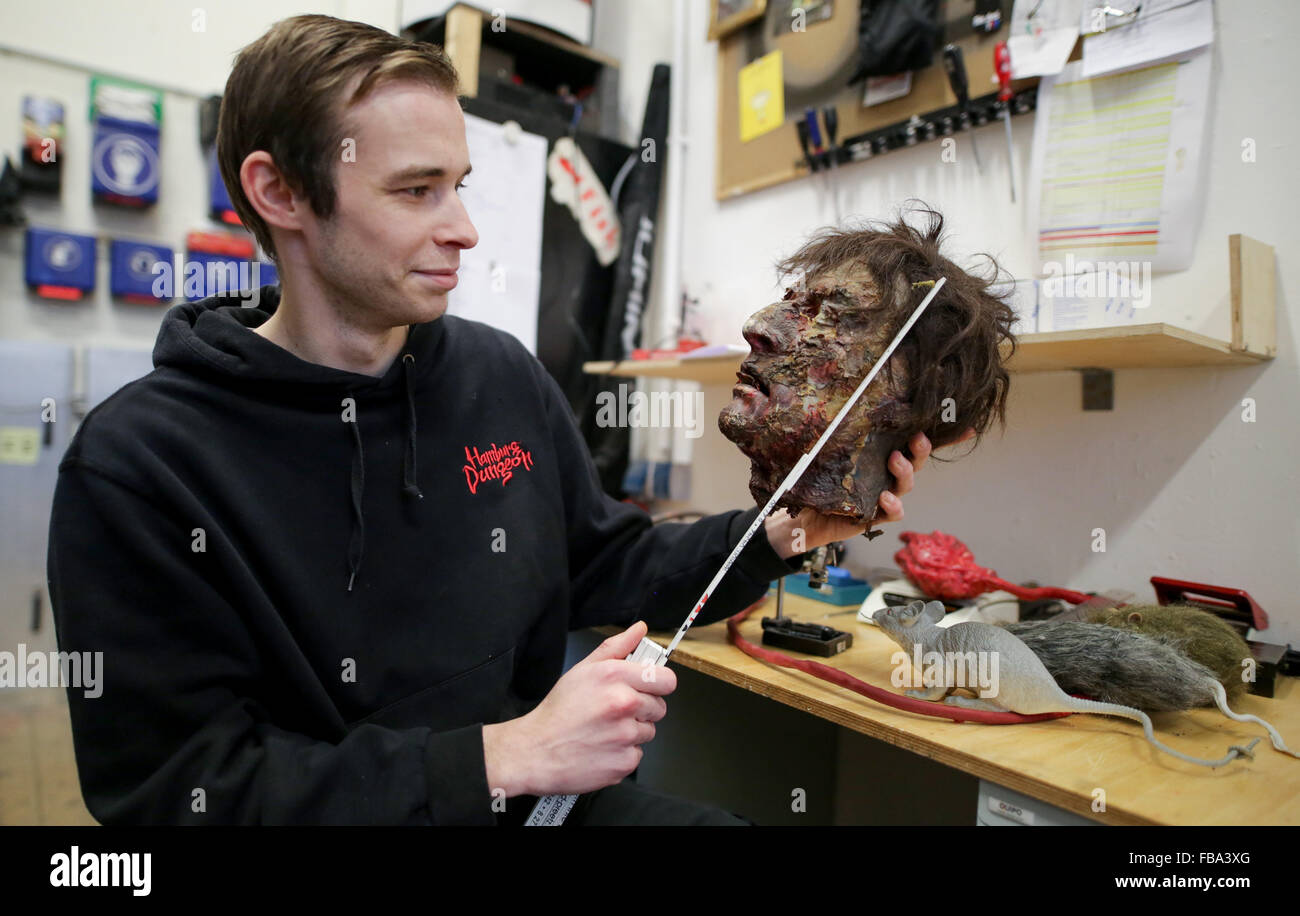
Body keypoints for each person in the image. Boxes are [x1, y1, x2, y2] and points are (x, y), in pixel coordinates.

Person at [46, 15, 935, 826]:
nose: (465, 228)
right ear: (279, 193)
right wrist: (502, 756)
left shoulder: (496, 375)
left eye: (460, 184)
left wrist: (779, 536)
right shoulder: (141, 466)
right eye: (416, 191)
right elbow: (181, 793)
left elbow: (604, 565)